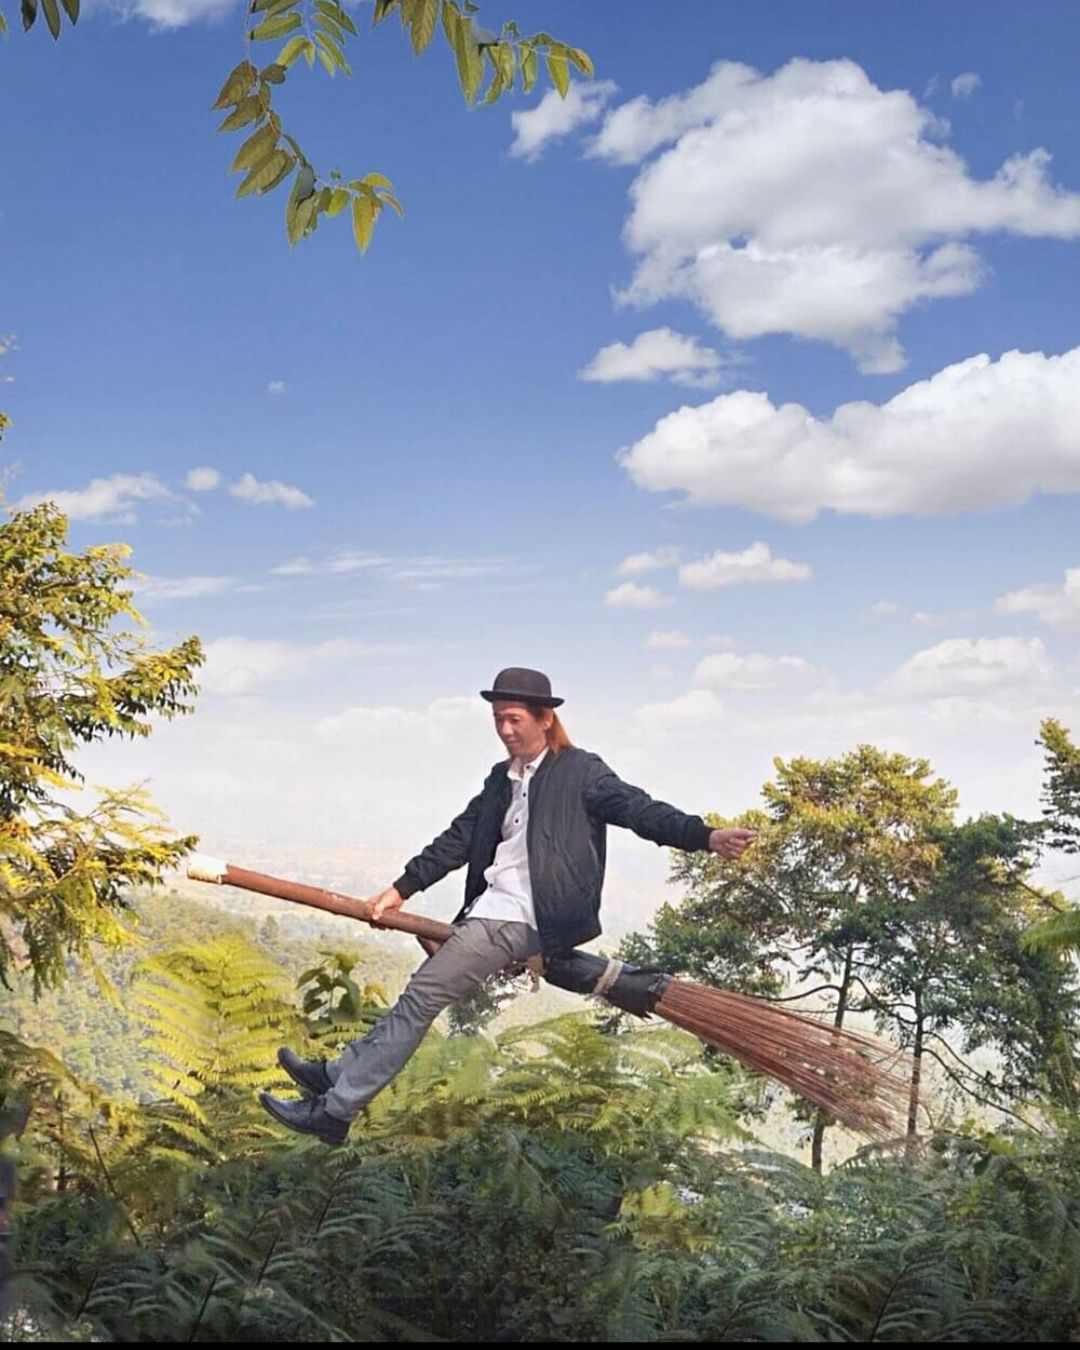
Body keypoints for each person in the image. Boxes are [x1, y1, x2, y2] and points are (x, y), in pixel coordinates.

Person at [259, 667, 756, 1145]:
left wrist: (705, 836)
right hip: (491, 909)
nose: (505, 729)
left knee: (421, 997)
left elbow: (639, 810)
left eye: (515, 719)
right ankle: (336, 1075)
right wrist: (402, 888)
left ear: (546, 719)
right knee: (421, 997)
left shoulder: (580, 772)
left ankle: (335, 1111)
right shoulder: (501, 779)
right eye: (498, 719)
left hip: (525, 917)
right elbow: (459, 838)